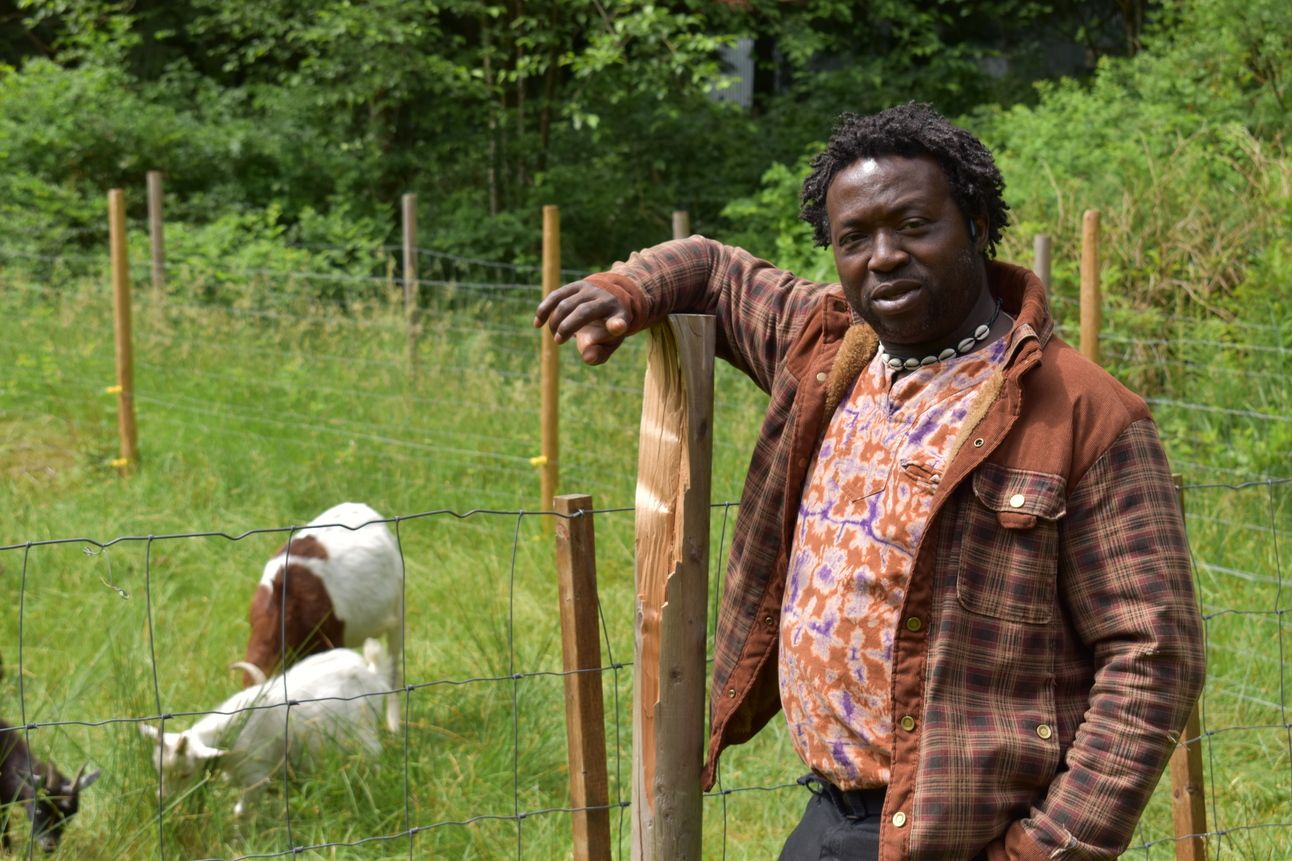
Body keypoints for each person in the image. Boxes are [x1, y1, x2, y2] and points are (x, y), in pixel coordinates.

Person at [533, 102, 1205, 860]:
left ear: (977, 225)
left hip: (967, 835)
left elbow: (1154, 658)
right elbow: (715, 271)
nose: (883, 257)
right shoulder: (829, 350)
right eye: (854, 238)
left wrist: (1045, 850)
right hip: (831, 820)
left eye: (914, 226)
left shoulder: (1084, 414)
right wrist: (627, 289)